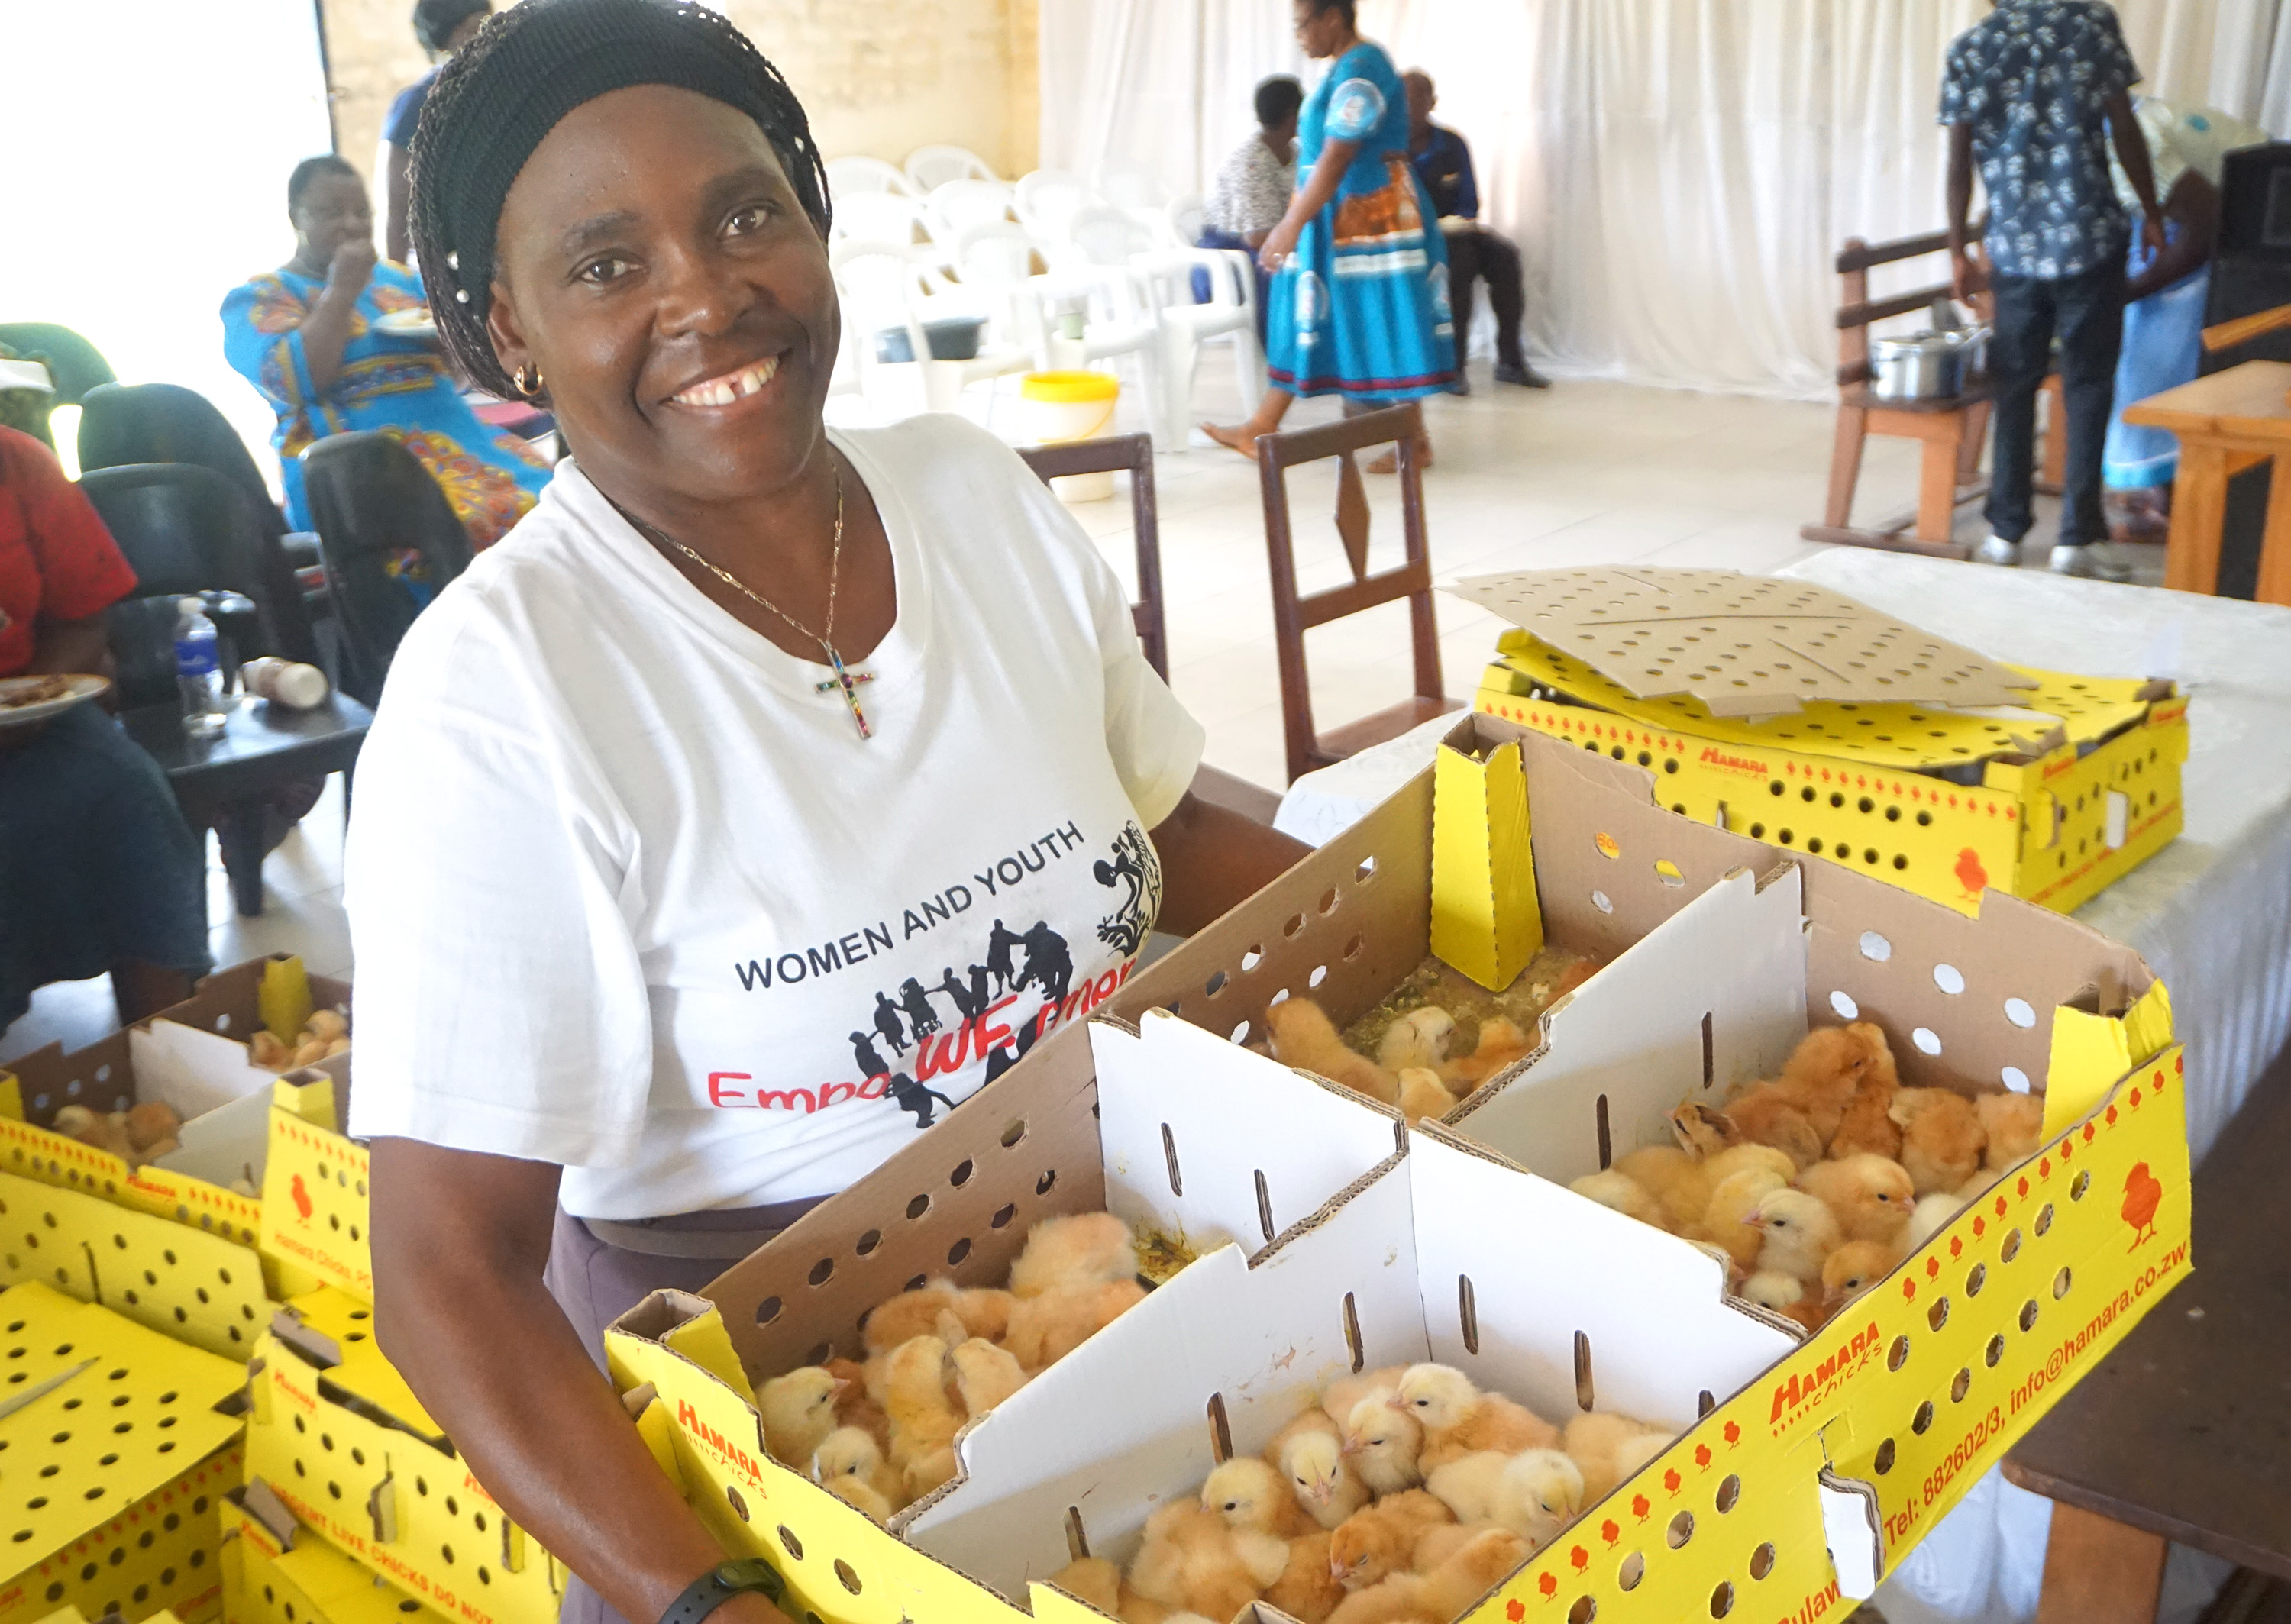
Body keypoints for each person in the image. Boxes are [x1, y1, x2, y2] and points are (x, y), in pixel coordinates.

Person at [344, 11, 1310, 1624]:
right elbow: (445, 1273)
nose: (708, 295)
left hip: (1128, 1303)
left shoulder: (968, 489)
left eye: (744, 214)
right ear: (509, 331)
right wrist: (707, 1598)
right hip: (801, 1458)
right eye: (603, 265)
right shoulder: (503, 693)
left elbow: (1168, 827)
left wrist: (1459, 919)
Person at [221, 155, 551, 550]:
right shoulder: (263, 297)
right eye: (330, 213)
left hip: (457, 440)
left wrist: (451, 340)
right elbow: (294, 381)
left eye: (362, 212)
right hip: (359, 467)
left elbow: (456, 374)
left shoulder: (399, 281)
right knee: (465, 524)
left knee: (551, 497)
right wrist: (341, 291)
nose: (351, 224)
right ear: (296, 217)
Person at [0, 425, 211, 1038]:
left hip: (28, 722)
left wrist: (32, 700)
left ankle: (167, 1051)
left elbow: (83, 618)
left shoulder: (18, 464)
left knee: (127, 789)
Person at [1942, 0, 2164, 581]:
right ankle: (2077, 540)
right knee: (2087, 387)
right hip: (2090, 237)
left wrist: (1957, 249)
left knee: (2014, 385)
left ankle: (2005, 533)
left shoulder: (1970, 49)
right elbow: (2123, 123)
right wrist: (2154, 210)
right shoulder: (2092, 23)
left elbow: (1959, 156)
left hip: (2014, 246)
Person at [1205, 0, 1457, 468]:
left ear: (1333, 18)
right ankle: (1263, 424)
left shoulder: (1363, 68)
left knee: (1381, 318)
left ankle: (1415, 440)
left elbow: (1338, 155)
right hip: (1335, 216)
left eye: (1303, 24)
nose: (1299, 35)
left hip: (1370, 219)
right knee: (1311, 315)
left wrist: (1289, 223)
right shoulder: (1345, 68)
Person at [2102, 99, 2267, 542]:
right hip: (2216, 222)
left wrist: (2127, 293)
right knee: (2150, 363)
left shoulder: (2130, 145)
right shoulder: (2107, 131)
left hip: (2251, 227)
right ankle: (2161, 500)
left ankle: (2186, 515)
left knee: (2165, 375)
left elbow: (2208, 224)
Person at [1402, 69, 1546, 392]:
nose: (1410, 108)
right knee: (1459, 264)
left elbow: (1469, 201)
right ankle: (1453, 367)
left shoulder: (1451, 144)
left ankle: (1510, 361)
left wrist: (1460, 222)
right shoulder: (1390, 151)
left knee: (1506, 256)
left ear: (1432, 102)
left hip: (1457, 231)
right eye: (1403, 100)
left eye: (1417, 99)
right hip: (1412, 240)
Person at [380, 0, 493, 265]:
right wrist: (399, 279)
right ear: (442, 43)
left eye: (492, 24)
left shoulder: (501, 92)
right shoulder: (417, 105)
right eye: (474, 29)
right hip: (448, 259)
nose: (487, 37)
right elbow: (399, 209)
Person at [1200, 74, 1302, 340]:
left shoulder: (1295, 153)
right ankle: (1284, 357)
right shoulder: (1252, 161)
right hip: (1231, 259)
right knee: (1293, 268)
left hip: (1273, 244)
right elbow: (1257, 237)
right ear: (1292, 115)